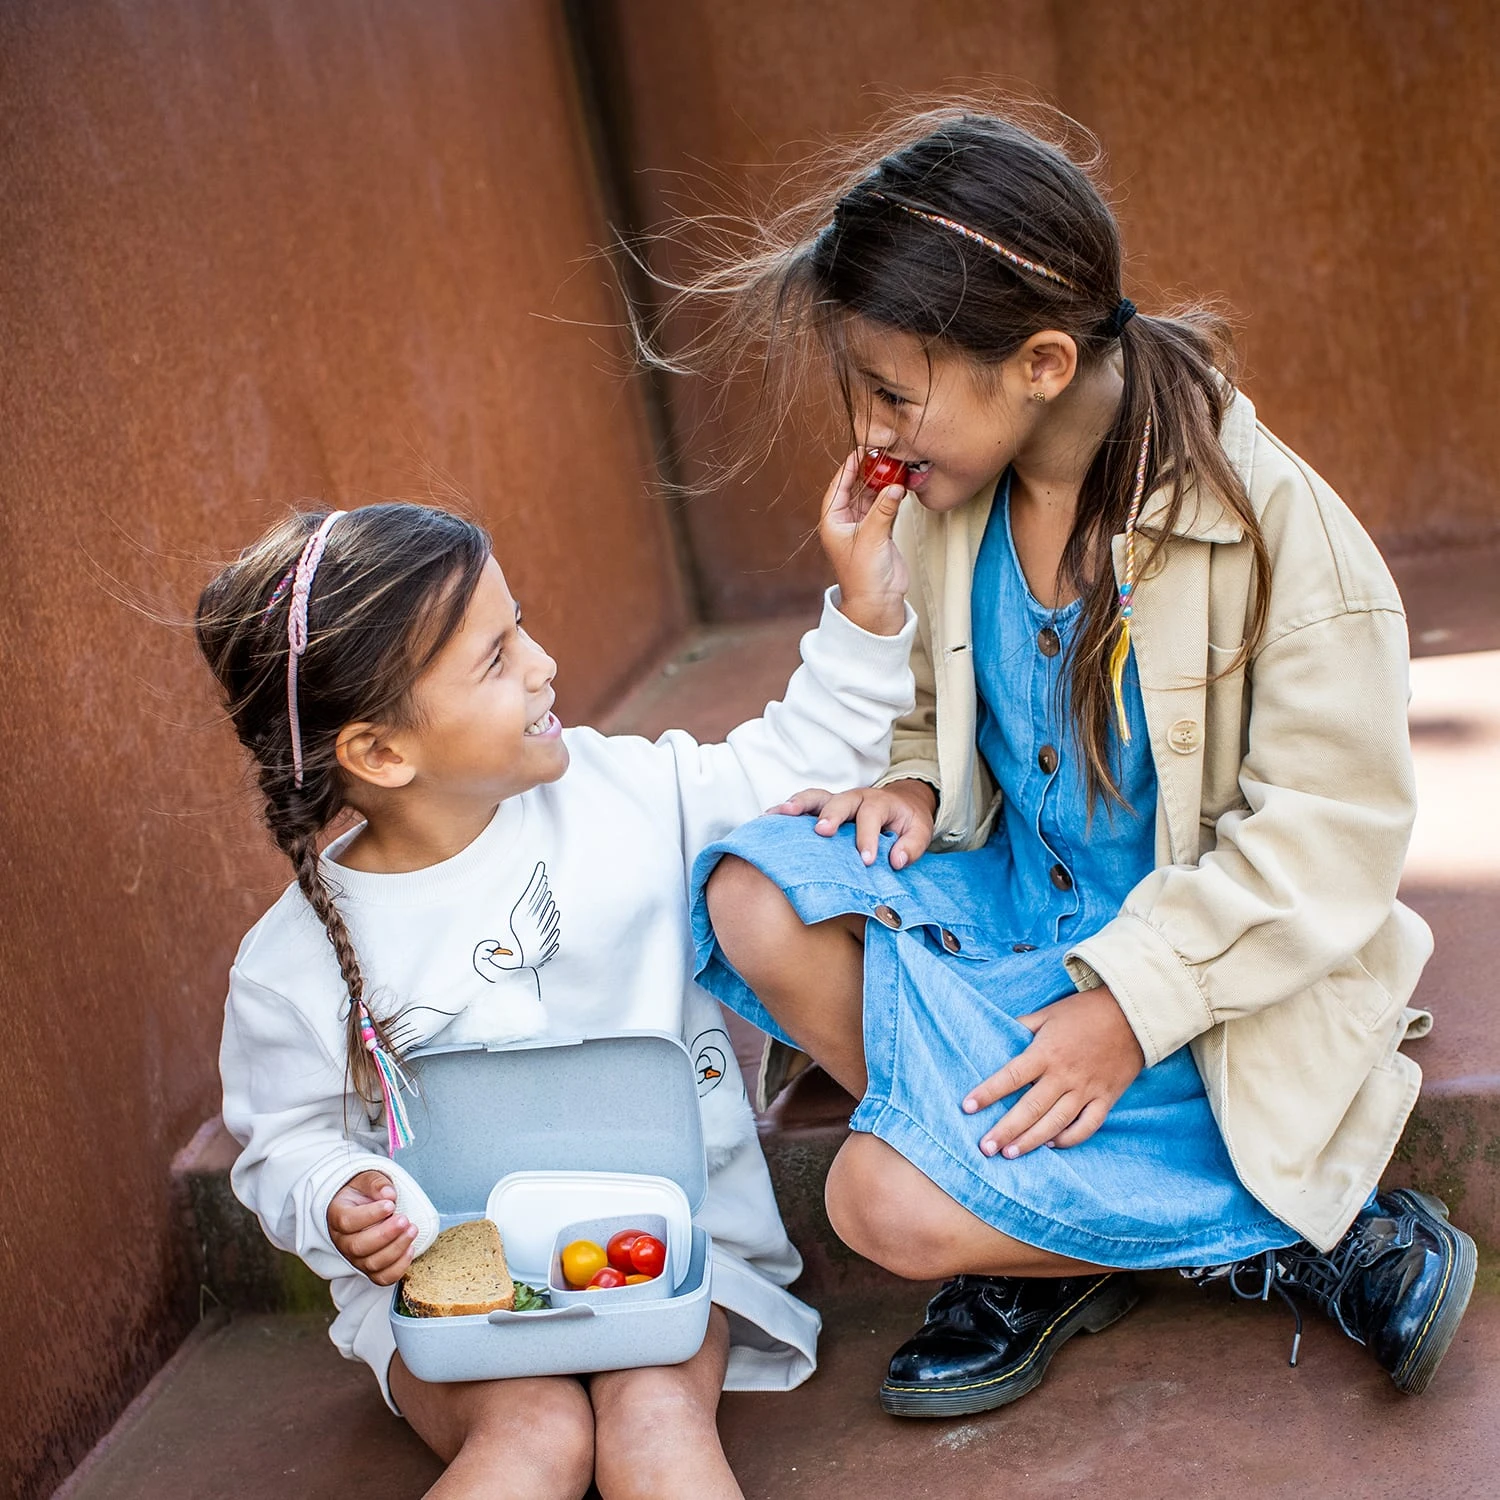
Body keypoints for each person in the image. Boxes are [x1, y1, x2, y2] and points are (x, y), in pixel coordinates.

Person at [682, 106, 1476, 1417]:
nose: (873, 434)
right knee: (751, 893)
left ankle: (1298, 1236)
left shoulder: (1276, 532)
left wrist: (1125, 1009)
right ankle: (1055, 1223)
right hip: (1022, 918)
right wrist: (915, 777)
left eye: (892, 393)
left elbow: (1328, 839)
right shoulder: (954, 498)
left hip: (1200, 993)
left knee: (876, 1201)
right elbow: (961, 702)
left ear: (1043, 361)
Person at [197, 483, 914, 1499]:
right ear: (381, 753)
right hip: (451, 1308)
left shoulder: (620, 795)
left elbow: (787, 767)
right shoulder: (291, 966)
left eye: (518, 624)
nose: (544, 664)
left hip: (662, 1266)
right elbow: (286, 1140)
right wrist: (336, 1195)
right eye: (497, 658)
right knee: (531, 1440)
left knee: (654, 1422)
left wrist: (869, 609)